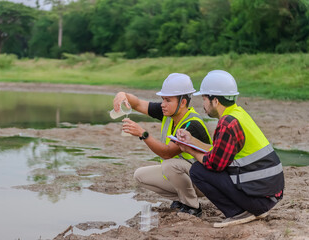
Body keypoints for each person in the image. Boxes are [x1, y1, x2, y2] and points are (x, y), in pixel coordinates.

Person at [176, 70, 284, 227]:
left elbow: (214, 163)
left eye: (204, 98)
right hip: (270, 195)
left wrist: (189, 150)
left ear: (216, 101)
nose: (203, 104)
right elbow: (219, 151)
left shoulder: (227, 123)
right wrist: (192, 140)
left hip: (260, 200)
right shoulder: (238, 114)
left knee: (198, 170)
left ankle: (237, 213)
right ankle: (246, 208)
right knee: (211, 165)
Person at [113, 73, 212, 217]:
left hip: (205, 181)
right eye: (162, 99)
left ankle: (192, 206)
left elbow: (167, 153)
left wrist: (143, 134)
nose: (163, 104)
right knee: (140, 176)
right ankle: (181, 199)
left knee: (169, 165)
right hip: (186, 175)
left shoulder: (192, 124)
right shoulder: (169, 113)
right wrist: (123, 95)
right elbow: (138, 104)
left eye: (168, 100)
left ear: (183, 102)